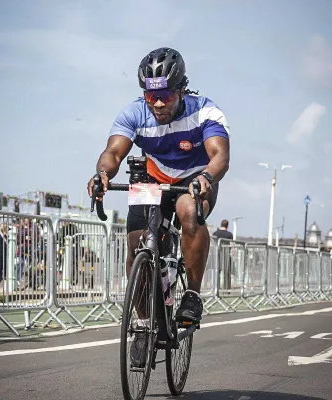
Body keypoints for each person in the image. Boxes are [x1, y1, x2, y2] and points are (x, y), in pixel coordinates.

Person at [87, 47, 230, 366]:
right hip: (152, 179)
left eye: (165, 95)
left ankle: (192, 294)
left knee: (189, 212)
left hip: (195, 177)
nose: (159, 103)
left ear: (181, 89)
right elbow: (112, 153)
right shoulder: (134, 113)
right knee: (136, 244)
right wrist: (102, 174)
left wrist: (207, 176)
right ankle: (143, 324)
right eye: (151, 97)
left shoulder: (204, 111)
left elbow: (220, 155)